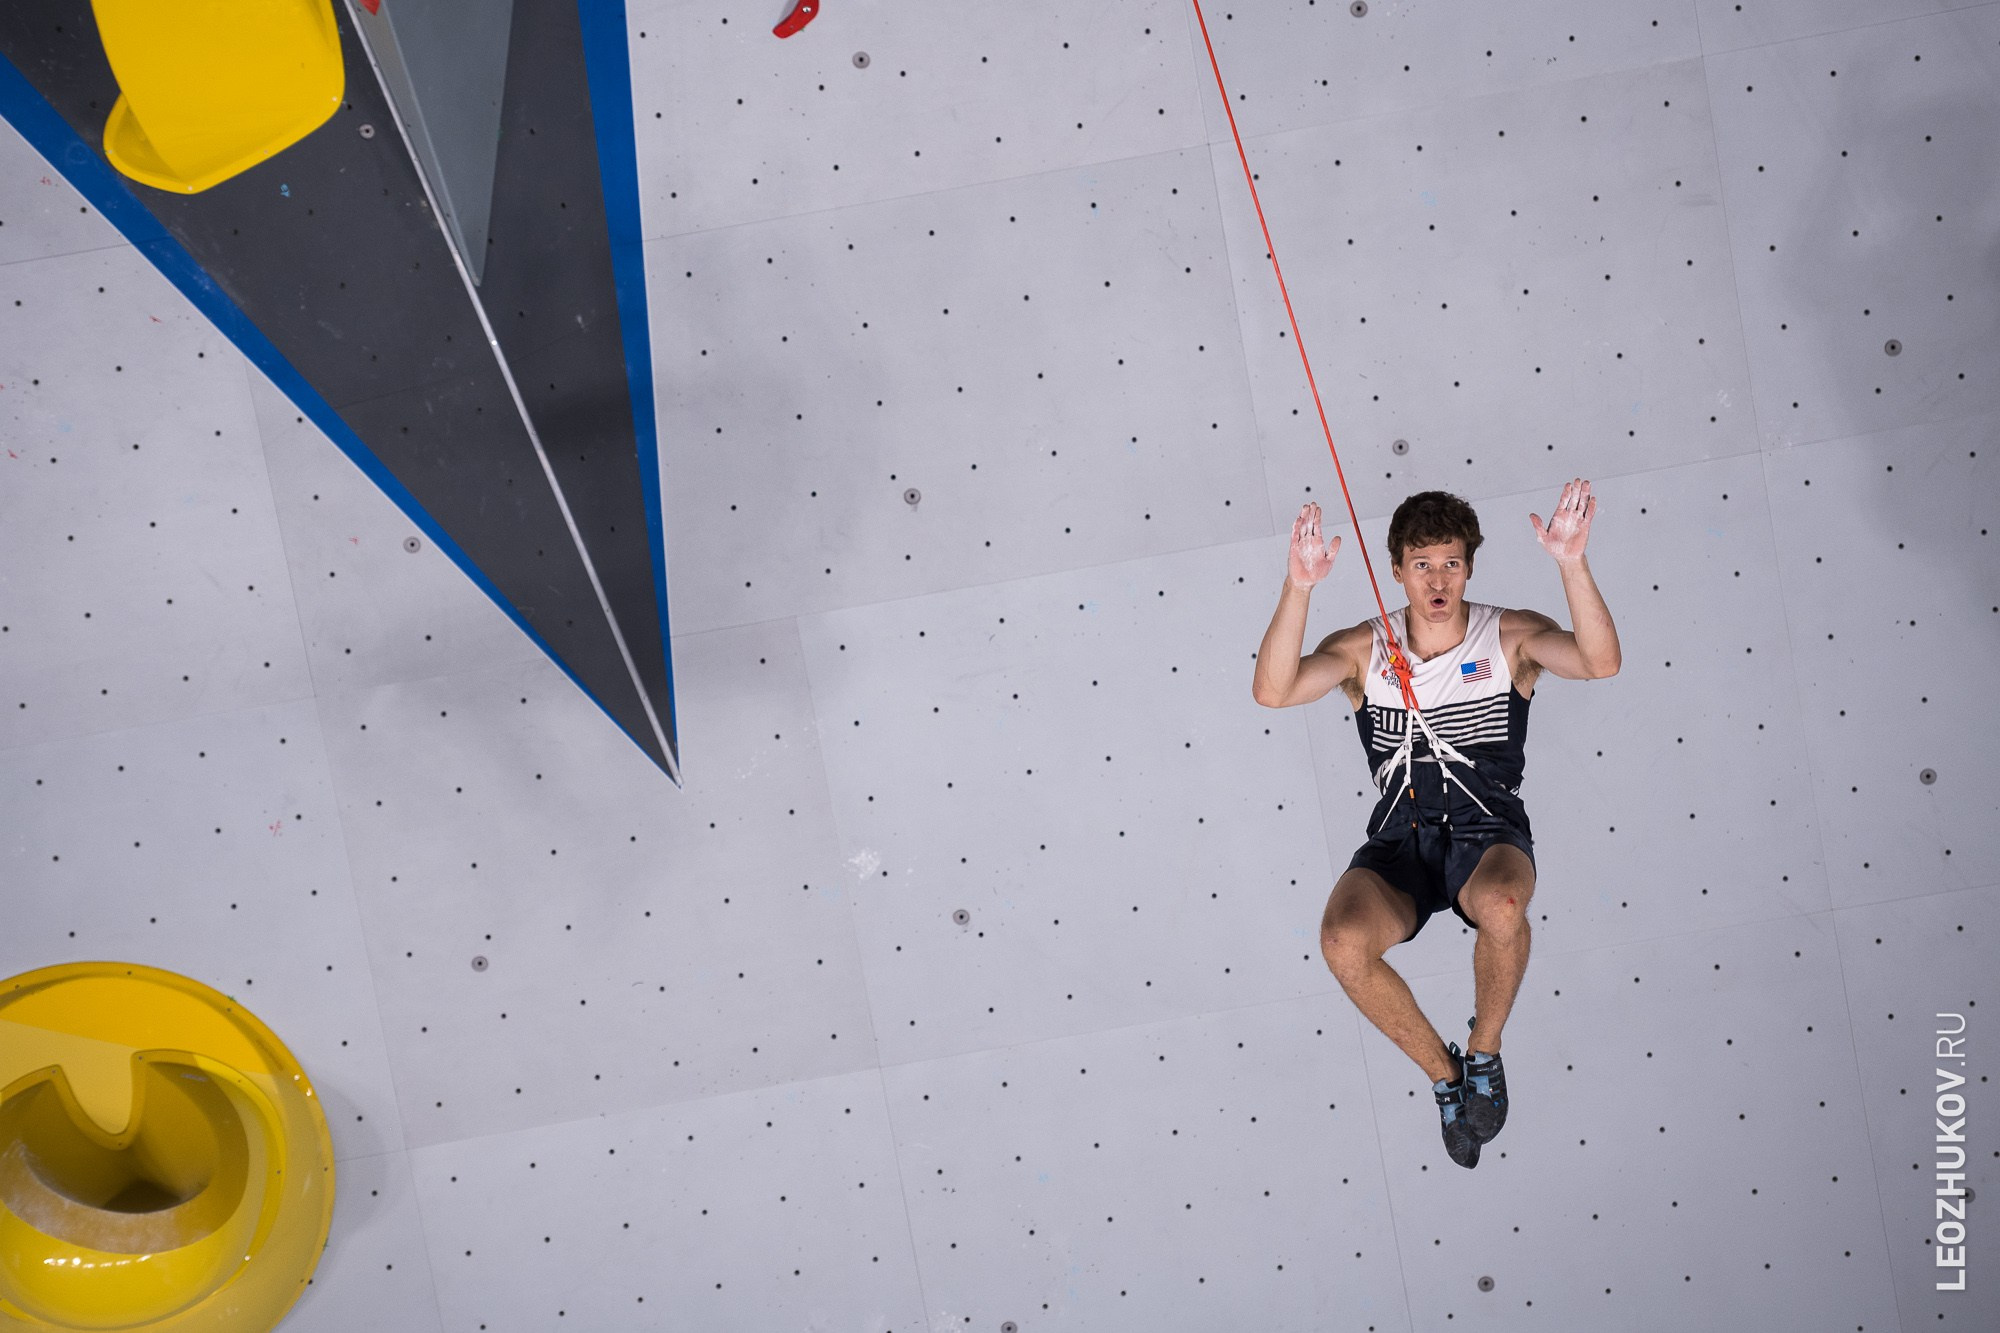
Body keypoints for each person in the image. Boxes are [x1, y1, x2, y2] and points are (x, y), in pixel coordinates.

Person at [1252, 481, 1621, 1168]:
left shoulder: (1509, 635)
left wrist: (1572, 565)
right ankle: (1447, 1080)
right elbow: (1273, 690)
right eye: (1422, 564)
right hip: (1402, 841)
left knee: (1504, 906)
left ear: (1469, 567)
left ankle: (1486, 1053)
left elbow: (1600, 661)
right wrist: (1298, 587)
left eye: (1451, 562)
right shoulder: (1366, 648)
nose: (1438, 579)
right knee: (1341, 941)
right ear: (1397, 569)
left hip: (1488, 835)